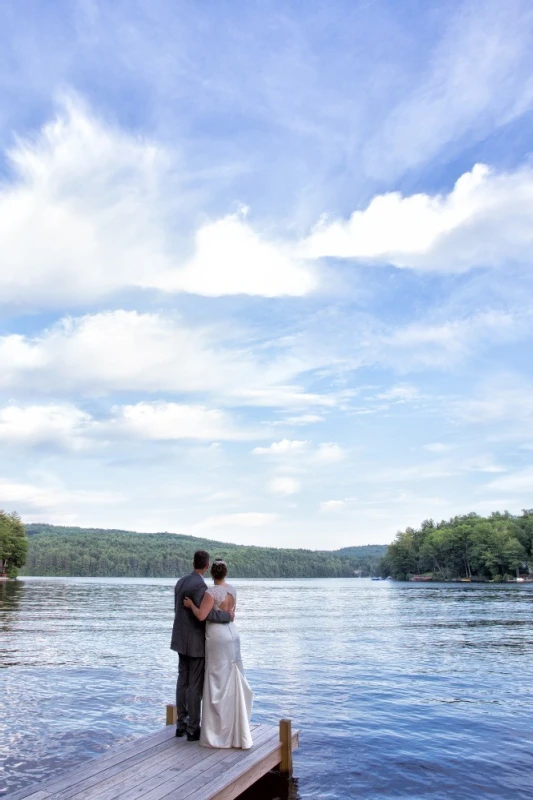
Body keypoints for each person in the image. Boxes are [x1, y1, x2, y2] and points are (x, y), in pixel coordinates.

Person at [184, 558, 253, 749]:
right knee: (231, 677)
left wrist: (191, 606)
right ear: (225, 573)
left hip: (217, 637)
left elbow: (201, 615)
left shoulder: (211, 592)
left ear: (212, 574)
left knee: (217, 679)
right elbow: (232, 613)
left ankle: (218, 731)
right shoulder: (232, 590)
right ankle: (235, 725)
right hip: (233, 633)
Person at [170, 550, 233, 741]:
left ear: (193, 563)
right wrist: (226, 616)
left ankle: (180, 725)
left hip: (180, 639)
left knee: (182, 681)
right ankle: (192, 729)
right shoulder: (200, 586)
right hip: (195, 642)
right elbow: (204, 615)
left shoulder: (181, 582)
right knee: (194, 685)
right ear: (206, 566)